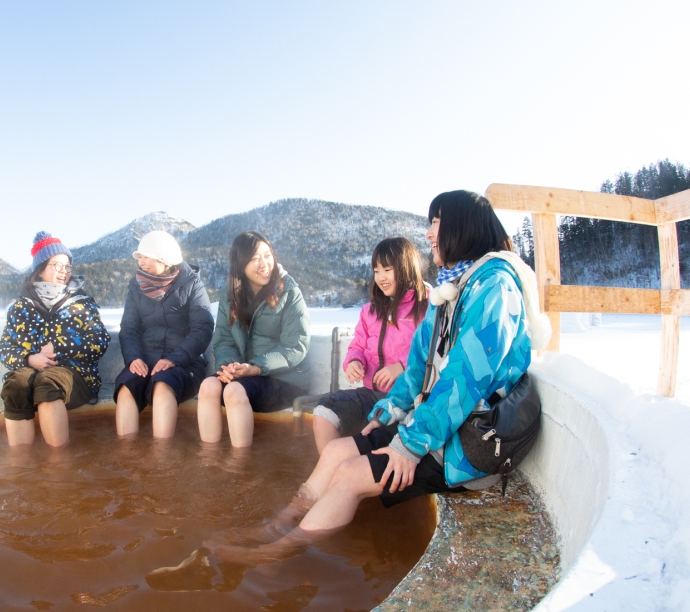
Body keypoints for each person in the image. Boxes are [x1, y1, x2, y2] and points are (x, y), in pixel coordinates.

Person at [209, 190, 550, 561]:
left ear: (462, 228)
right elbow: (418, 370)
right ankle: (280, 524)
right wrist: (386, 412)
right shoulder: (454, 289)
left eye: (436, 223)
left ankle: (278, 553)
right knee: (338, 450)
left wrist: (410, 444)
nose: (430, 234)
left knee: (350, 475)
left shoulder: (494, 289)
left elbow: (463, 382)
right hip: (438, 424)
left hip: (471, 439)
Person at [311, 237, 428, 452]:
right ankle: (333, 475)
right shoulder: (370, 311)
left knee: (373, 437)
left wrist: (402, 367)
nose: (381, 277)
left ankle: (354, 475)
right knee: (324, 411)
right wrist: (354, 361)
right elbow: (357, 346)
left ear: (406, 268)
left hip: (407, 400)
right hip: (370, 393)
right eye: (376, 271)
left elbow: (433, 352)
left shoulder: (426, 307)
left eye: (387, 270)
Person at [197, 231, 310, 448]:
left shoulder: (290, 292)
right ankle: (209, 462)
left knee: (233, 390)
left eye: (267, 255)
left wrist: (255, 367)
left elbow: (295, 346)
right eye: (254, 259)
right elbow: (223, 339)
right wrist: (229, 366)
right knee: (208, 386)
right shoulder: (231, 294)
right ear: (240, 265)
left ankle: (241, 467)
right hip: (247, 375)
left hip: (286, 380)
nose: (264, 264)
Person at [0, 231, 109, 447]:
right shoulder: (20, 308)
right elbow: (5, 348)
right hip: (31, 370)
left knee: (47, 382)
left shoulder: (82, 304)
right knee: (15, 385)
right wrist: (30, 359)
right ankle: (21, 465)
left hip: (75, 374)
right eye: (57, 265)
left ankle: (58, 465)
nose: (64, 272)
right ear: (40, 270)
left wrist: (58, 347)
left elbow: (100, 340)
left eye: (67, 266)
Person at [114, 231, 214, 439]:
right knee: (126, 388)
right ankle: (127, 456)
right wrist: (134, 358)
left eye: (145, 256)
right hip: (145, 360)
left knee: (162, 386)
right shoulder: (135, 286)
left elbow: (202, 328)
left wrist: (174, 359)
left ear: (163, 257)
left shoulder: (192, 284)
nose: (140, 262)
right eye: (139, 257)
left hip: (184, 363)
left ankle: (162, 460)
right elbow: (129, 328)